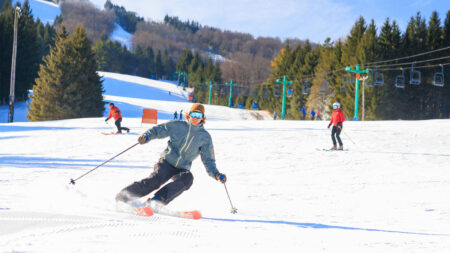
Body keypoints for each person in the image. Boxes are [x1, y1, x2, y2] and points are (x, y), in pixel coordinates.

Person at [115, 103, 227, 209]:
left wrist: (216, 174)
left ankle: (156, 201)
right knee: (155, 181)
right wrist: (147, 136)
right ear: (189, 114)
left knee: (187, 179)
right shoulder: (178, 126)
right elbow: (159, 130)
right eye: (193, 114)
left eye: (199, 115)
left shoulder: (205, 137)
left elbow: (208, 160)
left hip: (182, 168)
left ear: (203, 118)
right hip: (166, 162)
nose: (195, 117)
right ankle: (124, 196)